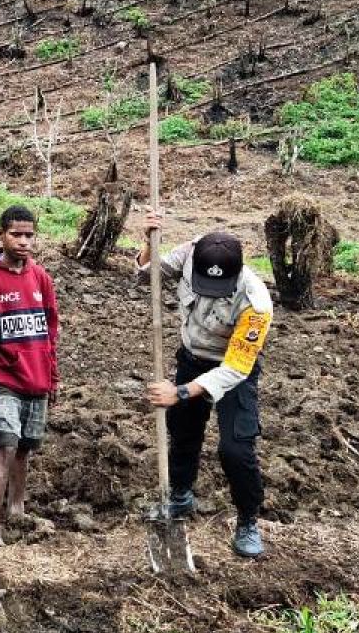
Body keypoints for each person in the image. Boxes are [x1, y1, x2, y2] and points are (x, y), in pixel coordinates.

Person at [138, 212, 272, 558]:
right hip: (192, 356)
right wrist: (148, 243)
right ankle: (180, 496)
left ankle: (247, 521)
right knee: (182, 431)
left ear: (237, 273)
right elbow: (146, 276)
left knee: (236, 448)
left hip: (233, 369)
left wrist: (180, 392)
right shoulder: (188, 253)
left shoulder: (256, 303)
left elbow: (234, 368)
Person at [0, 205, 59, 547]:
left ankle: (17, 508)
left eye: (29, 235)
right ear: (1, 234)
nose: (23, 241)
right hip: (4, 380)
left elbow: (51, 332)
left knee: (23, 450)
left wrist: (53, 378)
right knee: (4, 447)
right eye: (15, 235)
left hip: (37, 380)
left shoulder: (41, 278)